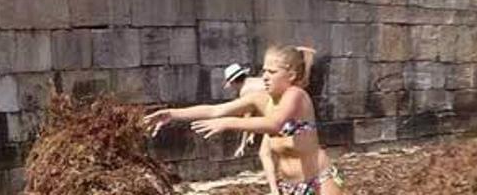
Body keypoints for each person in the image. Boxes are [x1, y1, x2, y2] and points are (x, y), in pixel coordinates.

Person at [146, 46, 345, 195]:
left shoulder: (296, 95)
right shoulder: (260, 99)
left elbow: (274, 124)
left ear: (291, 75)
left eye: (272, 72)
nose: (265, 77)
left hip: (320, 182)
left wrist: (228, 123)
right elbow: (215, 110)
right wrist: (172, 114)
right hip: (290, 187)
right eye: (264, 71)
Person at [222, 63, 279, 194]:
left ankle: (275, 191)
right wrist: (253, 134)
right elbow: (260, 107)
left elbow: (247, 120)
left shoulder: (245, 91)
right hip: (283, 112)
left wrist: (242, 145)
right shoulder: (255, 81)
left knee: (264, 154)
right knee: (275, 152)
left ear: (233, 82)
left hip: (277, 117)